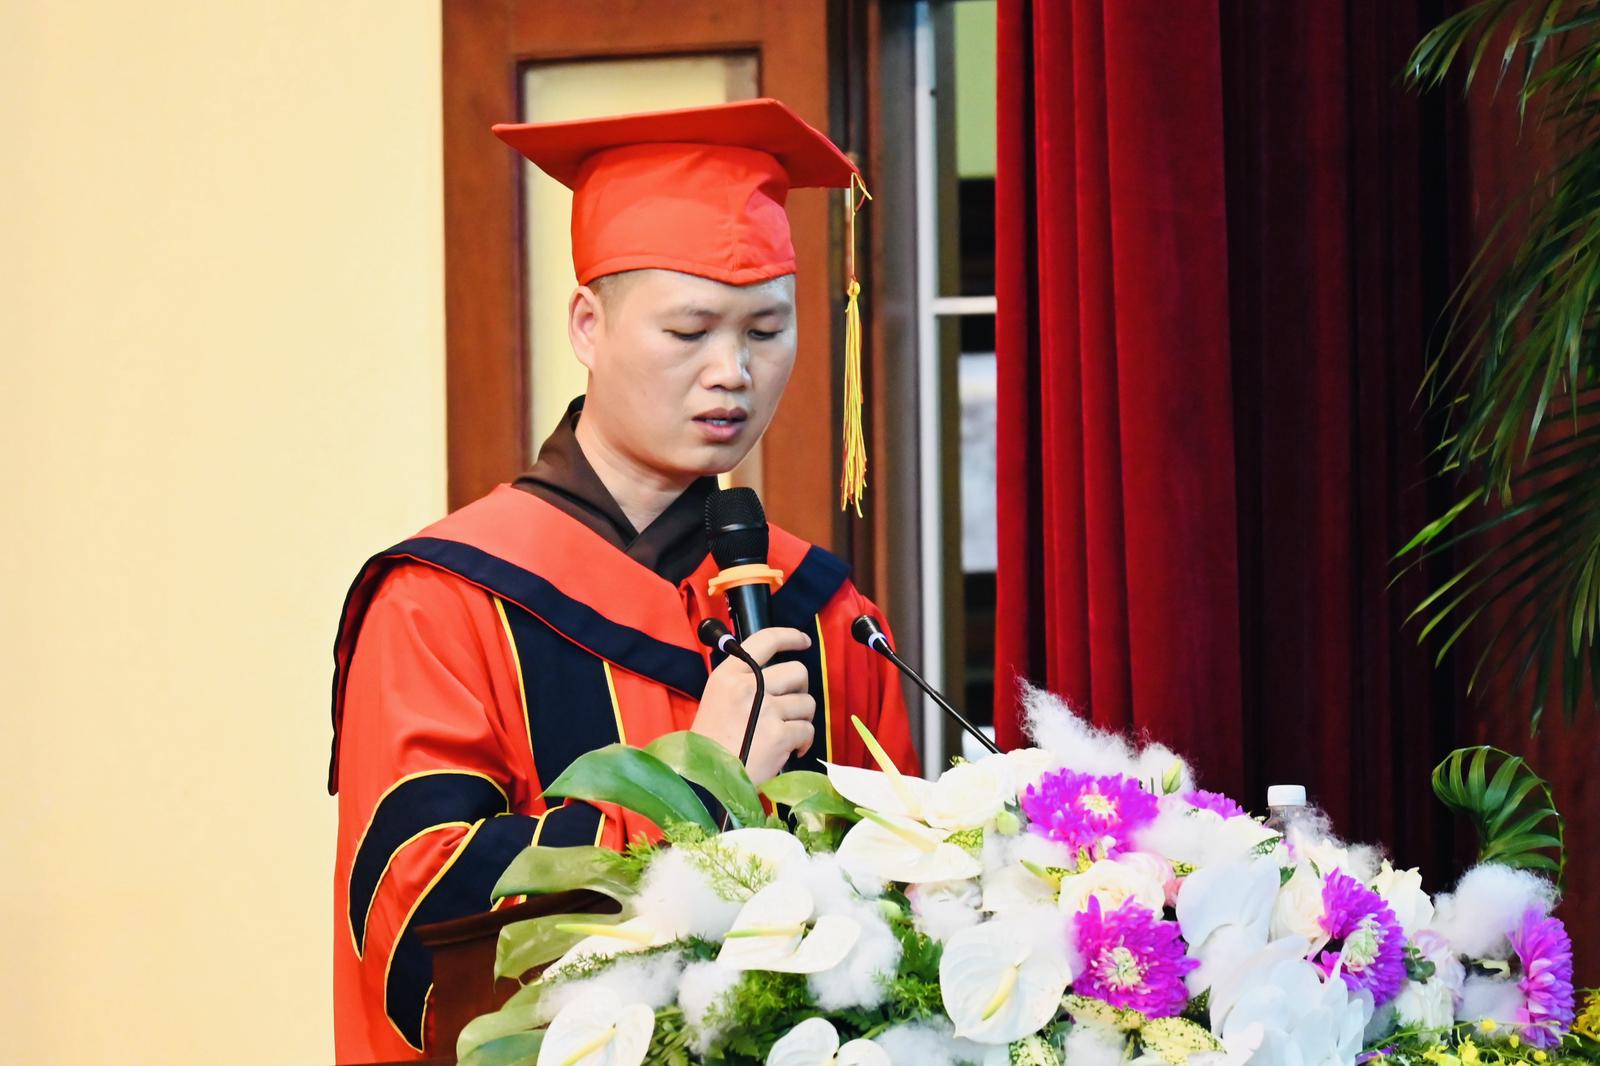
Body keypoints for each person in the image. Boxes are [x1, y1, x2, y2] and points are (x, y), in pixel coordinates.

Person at [327, 98, 920, 1063]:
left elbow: (901, 918)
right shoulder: (445, 603)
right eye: (689, 330)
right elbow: (417, 924)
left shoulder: (823, 610)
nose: (733, 371)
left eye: (766, 329)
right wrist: (694, 786)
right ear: (588, 325)